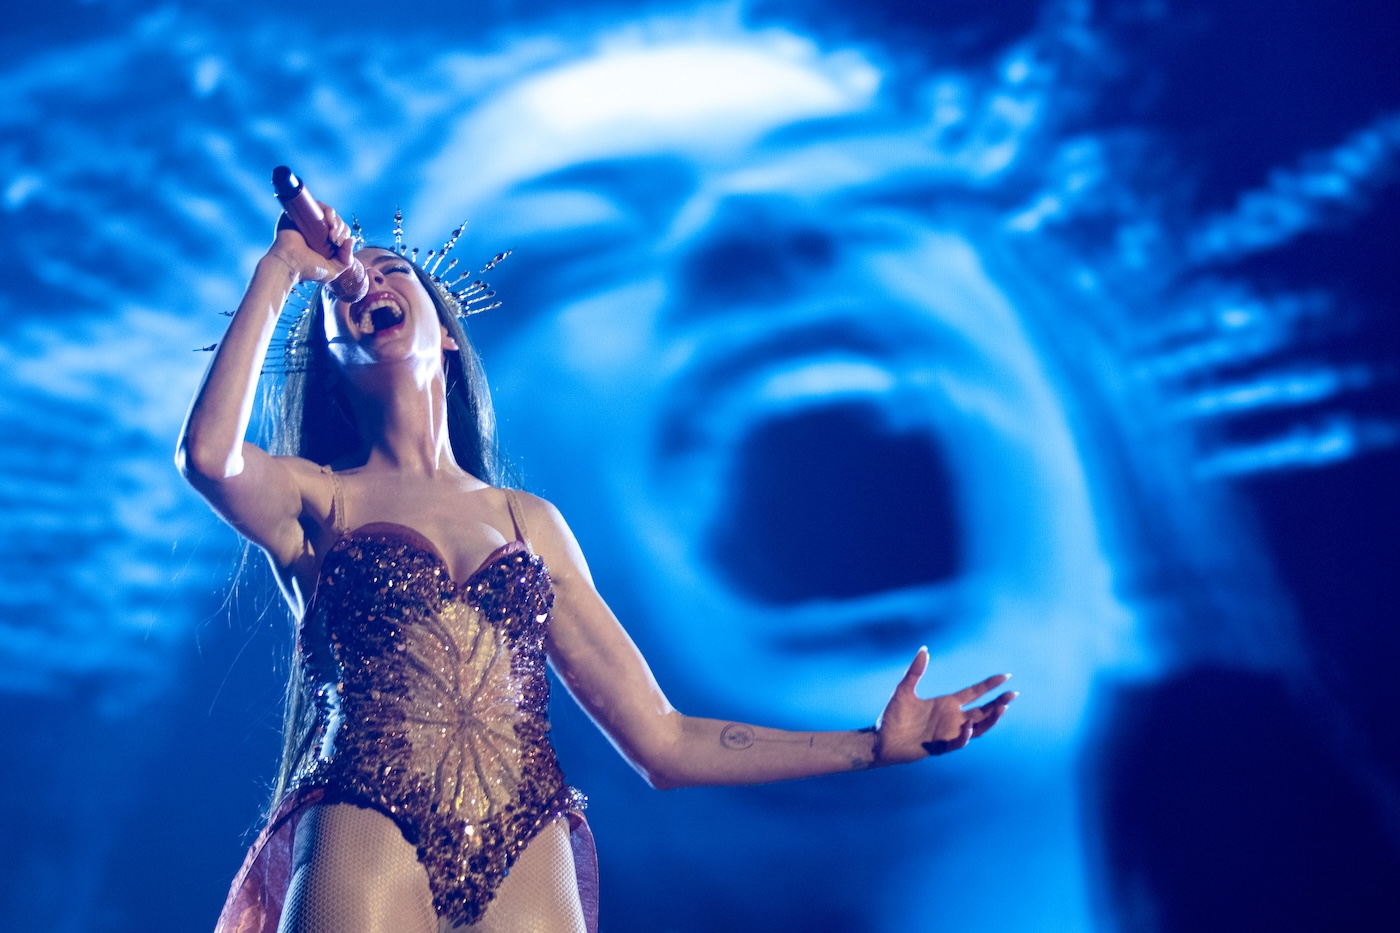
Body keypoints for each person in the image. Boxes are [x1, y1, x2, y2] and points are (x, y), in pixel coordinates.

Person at [176, 201, 1018, 933]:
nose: (367, 286)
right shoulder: (318, 499)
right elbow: (209, 457)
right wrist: (283, 268)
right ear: (330, 359)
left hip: (524, 844)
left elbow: (664, 741)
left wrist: (873, 746)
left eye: (393, 272)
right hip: (365, 828)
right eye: (341, 296)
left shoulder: (530, 522)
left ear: (447, 335)